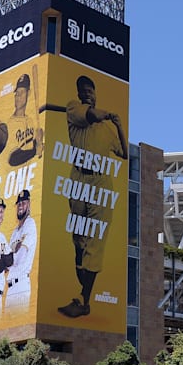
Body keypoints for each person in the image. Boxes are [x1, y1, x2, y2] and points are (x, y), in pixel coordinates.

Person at [57, 75, 128, 318]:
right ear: (79, 94)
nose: (88, 94)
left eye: (91, 90)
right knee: (78, 239)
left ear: (96, 93)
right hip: (78, 178)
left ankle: (84, 300)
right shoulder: (74, 109)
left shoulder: (107, 130)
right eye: (84, 91)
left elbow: (125, 154)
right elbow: (91, 115)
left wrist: (118, 126)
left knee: (95, 242)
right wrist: (107, 114)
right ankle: (81, 281)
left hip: (101, 181)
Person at [4, 189, 37, 312]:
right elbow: (6, 265)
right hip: (10, 288)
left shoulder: (30, 224)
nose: (20, 206)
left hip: (21, 285)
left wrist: (10, 257)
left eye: (23, 203)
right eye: (19, 204)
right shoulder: (15, 232)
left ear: (29, 204)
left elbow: (19, 257)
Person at [7, 73, 44, 166]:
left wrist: (37, 141)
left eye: (22, 92)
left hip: (27, 176)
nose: (18, 97)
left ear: (29, 93)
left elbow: (28, 147)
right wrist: (35, 151)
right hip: (13, 177)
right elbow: (13, 159)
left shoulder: (30, 121)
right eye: (17, 93)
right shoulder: (10, 124)